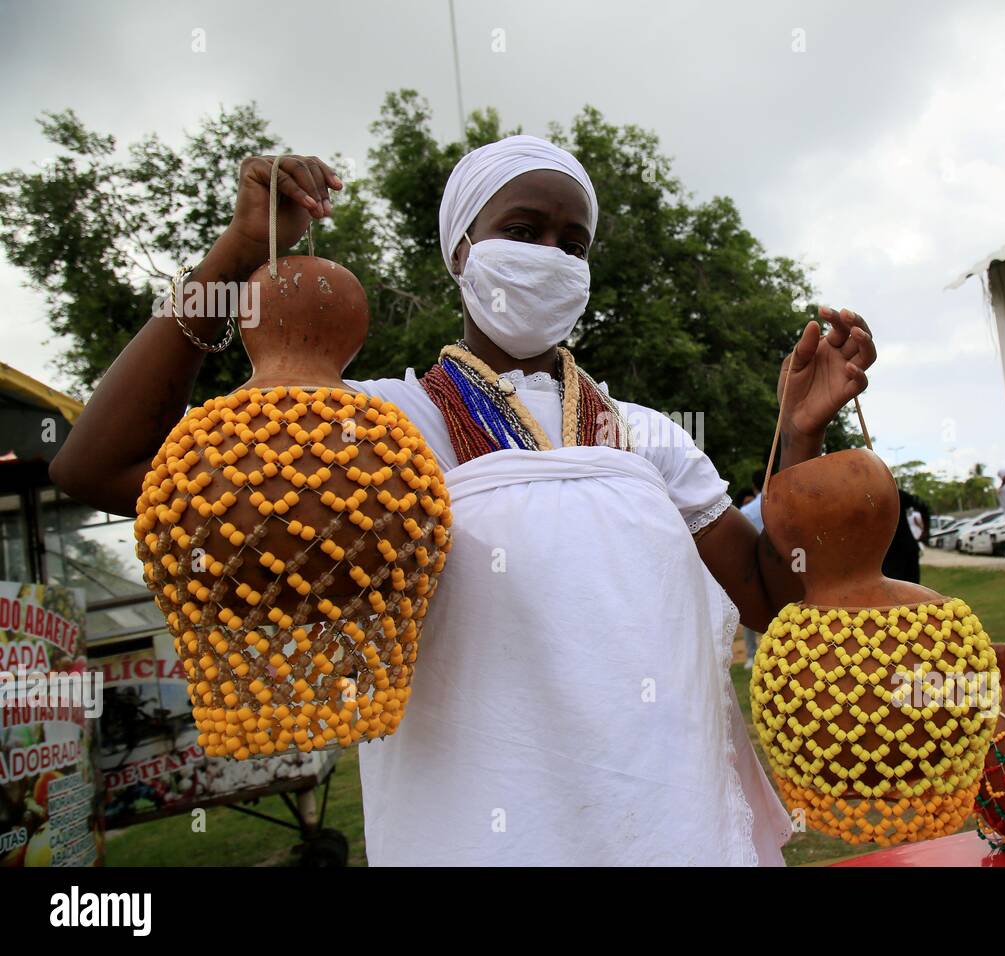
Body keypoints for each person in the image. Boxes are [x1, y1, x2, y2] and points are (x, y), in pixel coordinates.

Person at [46, 138, 879, 866]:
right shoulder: (375, 430)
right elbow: (101, 464)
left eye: (573, 242)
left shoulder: (648, 436)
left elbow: (773, 597)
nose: (551, 254)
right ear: (460, 251)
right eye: (522, 232)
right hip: (483, 828)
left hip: (669, 816)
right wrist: (235, 254)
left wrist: (798, 437)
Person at [737, 468, 766, 668]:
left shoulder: (746, 512)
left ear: (755, 486)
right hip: (783, 565)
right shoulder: (784, 501)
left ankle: (751, 654)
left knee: (748, 611)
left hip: (753, 566)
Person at [882, 487, 928, 583]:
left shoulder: (895, 493)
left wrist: (925, 532)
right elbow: (923, 505)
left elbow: (922, 505)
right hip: (904, 550)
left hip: (890, 552)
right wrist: (925, 531)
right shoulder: (896, 493)